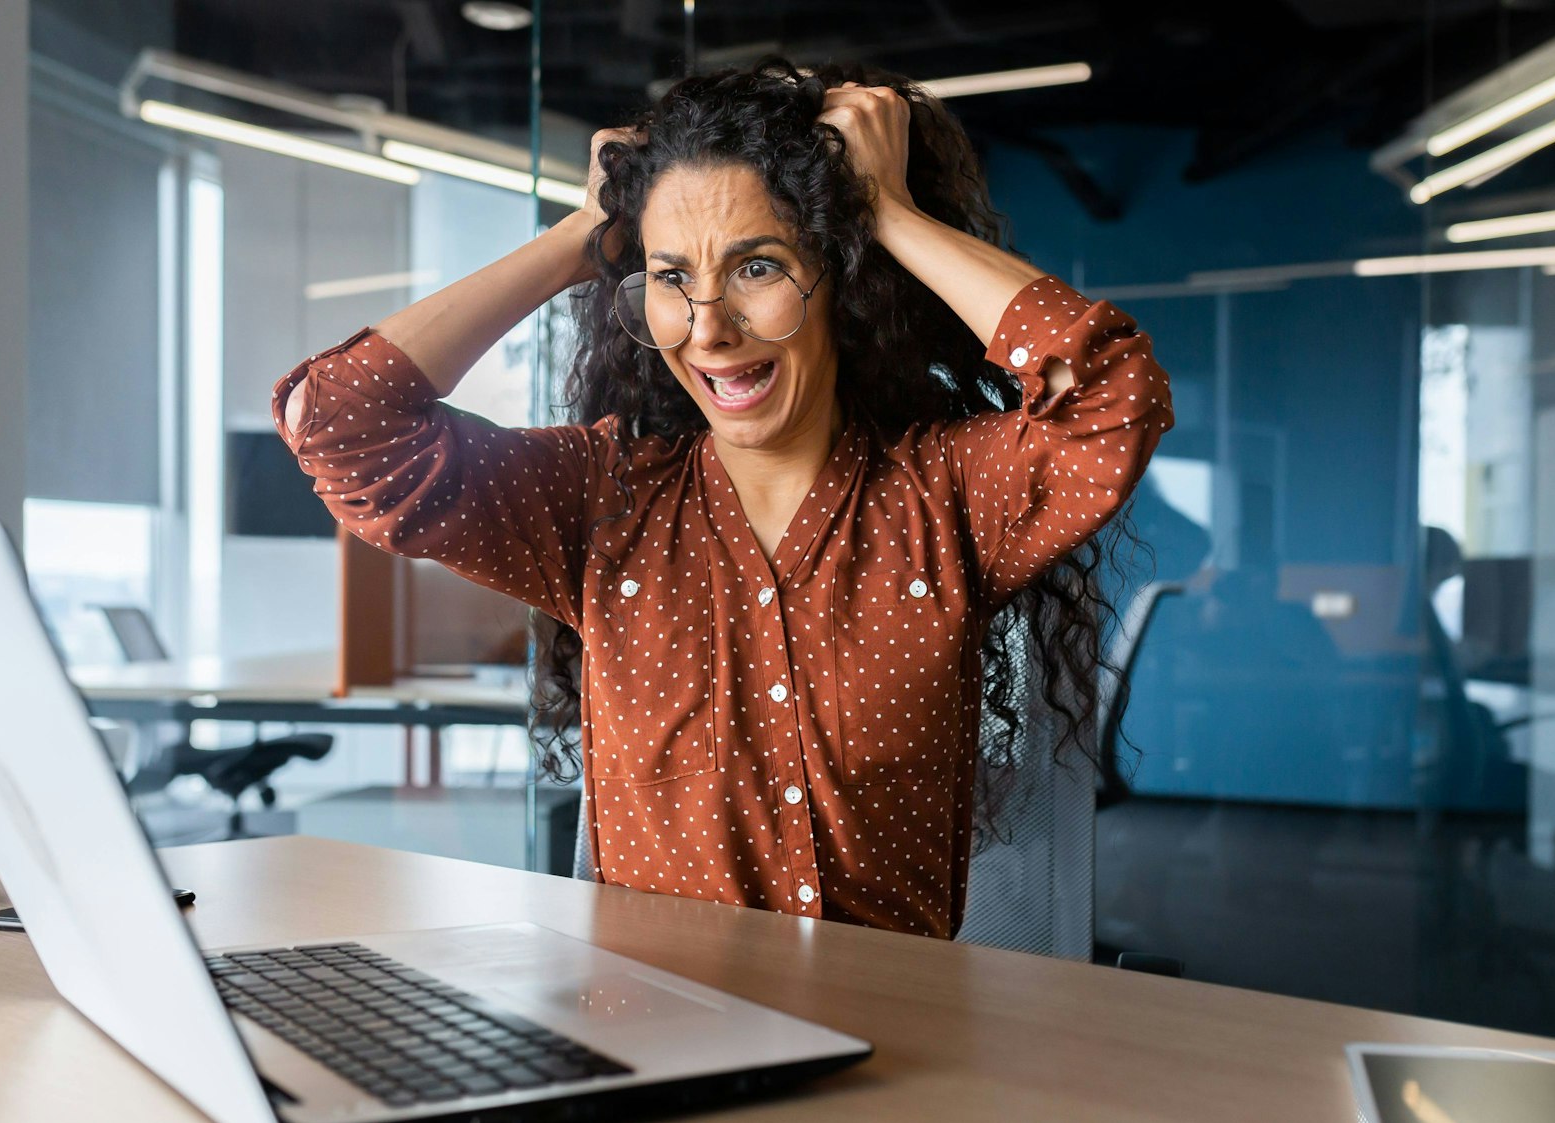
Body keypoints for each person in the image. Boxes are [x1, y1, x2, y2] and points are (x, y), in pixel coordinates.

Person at [273, 59, 1173, 939]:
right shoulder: (601, 501)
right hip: (657, 1041)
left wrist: (888, 213)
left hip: (893, 1046)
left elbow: (1112, 396)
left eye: (756, 269)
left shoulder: (950, 498)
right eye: (672, 277)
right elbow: (340, 421)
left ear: (842, 279)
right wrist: (581, 231)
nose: (708, 328)